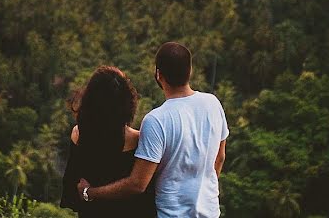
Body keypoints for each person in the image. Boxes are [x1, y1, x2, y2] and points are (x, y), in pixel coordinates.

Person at [76, 42, 229, 218]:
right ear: (190, 71)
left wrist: (90, 192)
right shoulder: (213, 104)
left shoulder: (156, 120)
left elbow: (137, 184)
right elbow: (220, 157)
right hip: (209, 212)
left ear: (158, 75)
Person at [60, 66, 155, 218]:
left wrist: (88, 192)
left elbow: (72, 189)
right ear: (127, 103)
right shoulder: (138, 140)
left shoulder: (78, 135)